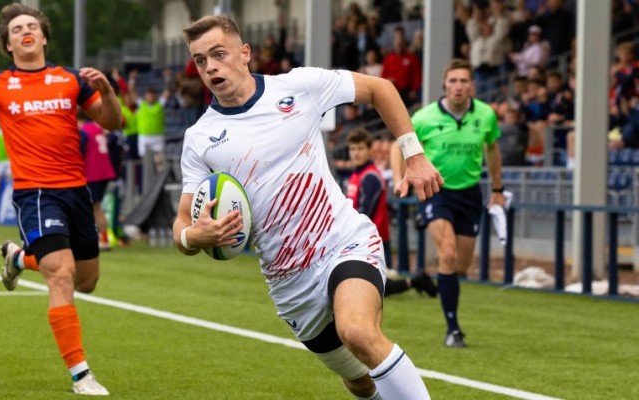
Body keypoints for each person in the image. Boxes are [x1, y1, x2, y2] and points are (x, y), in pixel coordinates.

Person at [174, 15, 441, 399]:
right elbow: (182, 223)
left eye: (218, 54)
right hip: (289, 281)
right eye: (200, 60)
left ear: (245, 53)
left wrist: (413, 155)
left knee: (359, 332)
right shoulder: (199, 138)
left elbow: (380, 88)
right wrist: (192, 236)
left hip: (342, 241)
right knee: (359, 380)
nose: (210, 66)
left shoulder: (299, 86)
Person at [0, 3, 122, 395]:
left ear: (43, 37)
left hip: (77, 192)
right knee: (60, 275)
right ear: (8, 44)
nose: (25, 31)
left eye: (31, 26)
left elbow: (113, 122)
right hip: (36, 193)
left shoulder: (71, 80)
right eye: (16, 29)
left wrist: (108, 92)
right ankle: (82, 375)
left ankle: (17, 258)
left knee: (87, 281)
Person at [391, 59, 505, 348]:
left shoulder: (486, 115)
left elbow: (492, 149)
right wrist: (399, 176)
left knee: (461, 266)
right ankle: (453, 330)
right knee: (449, 254)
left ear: (472, 86)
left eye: (464, 81)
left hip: (469, 194)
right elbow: (398, 144)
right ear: (445, 85)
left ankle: (424, 280)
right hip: (436, 189)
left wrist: (498, 188)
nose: (458, 86)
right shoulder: (426, 116)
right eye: (453, 81)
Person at [346, 127, 437, 298]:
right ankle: (417, 281)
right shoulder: (356, 175)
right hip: (362, 236)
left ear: (369, 150)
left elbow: (365, 213)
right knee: (374, 286)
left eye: (360, 149)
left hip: (371, 237)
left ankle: (417, 281)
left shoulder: (370, 176)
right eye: (352, 149)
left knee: (375, 287)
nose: (355, 153)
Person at [78, 112, 116, 251]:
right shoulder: (96, 128)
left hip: (93, 174)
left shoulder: (84, 132)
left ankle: (94, 239)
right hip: (104, 172)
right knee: (96, 207)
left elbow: (78, 152)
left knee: (90, 207)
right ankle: (103, 238)